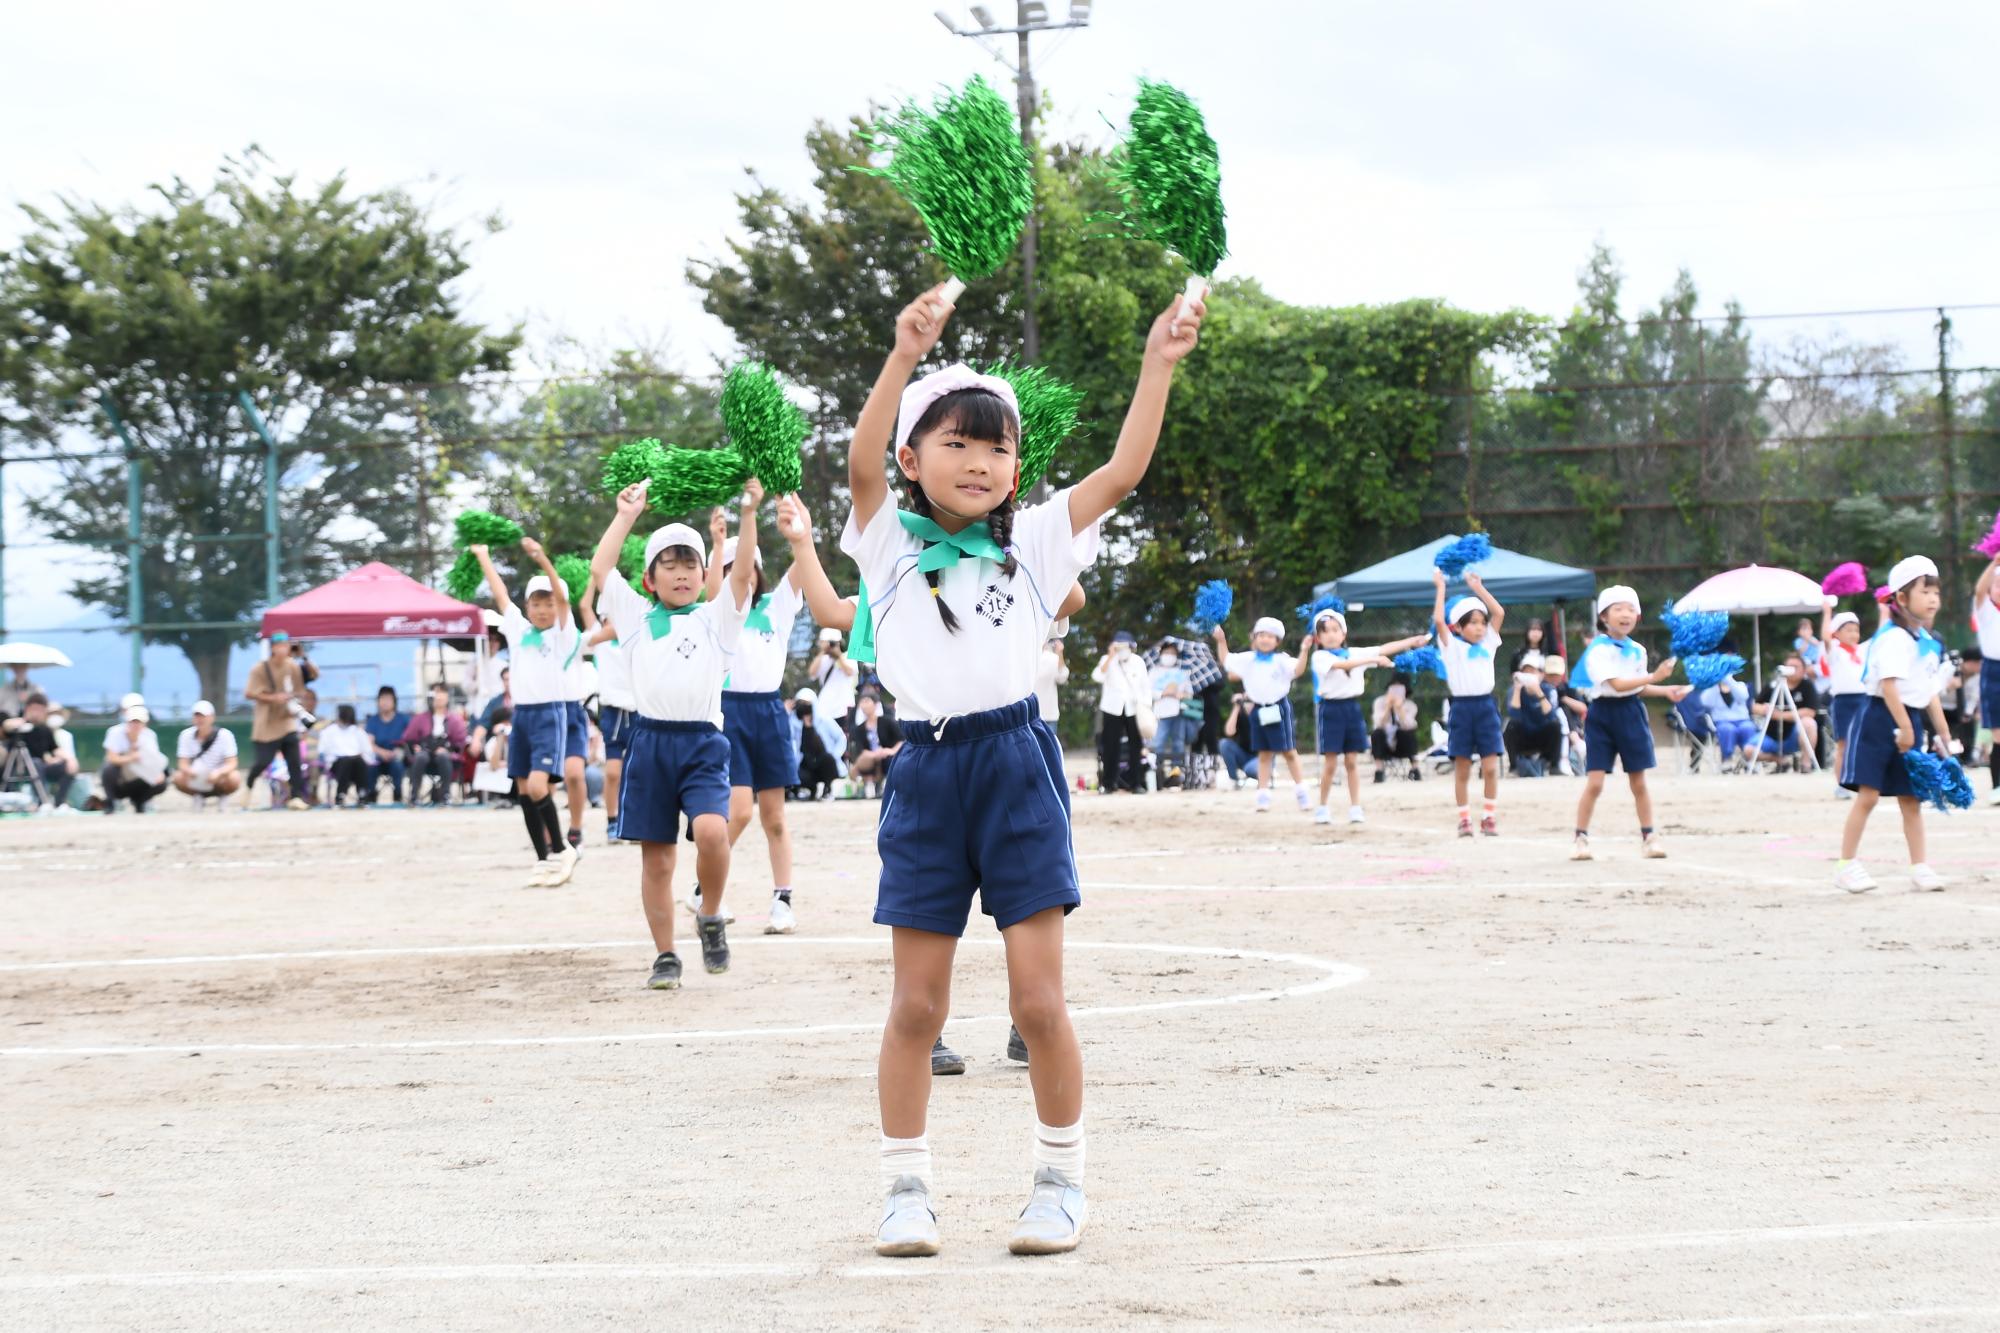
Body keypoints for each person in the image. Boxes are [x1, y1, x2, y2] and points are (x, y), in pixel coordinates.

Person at [844, 282, 1202, 1260]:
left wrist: (1155, 364)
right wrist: (902, 354)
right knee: (916, 1005)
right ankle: (905, 1190)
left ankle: (1058, 1180)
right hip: (924, 772)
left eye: (997, 445)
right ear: (912, 458)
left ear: (1016, 467)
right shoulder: (883, 540)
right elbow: (855, 461)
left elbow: (1124, 471)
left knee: (1036, 1001)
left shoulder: (1040, 538)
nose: (979, 460)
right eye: (954, 441)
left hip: (1016, 761)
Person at [590, 475, 759, 987]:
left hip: (703, 743)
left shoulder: (716, 621)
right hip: (650, 742)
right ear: (651, 579)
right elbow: (601, 569)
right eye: (671, 564)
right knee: (658, 859)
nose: (682, 573)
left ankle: (709, 914)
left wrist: (749, 513)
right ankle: (665, 955)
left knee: (712, 830)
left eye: (691, 563)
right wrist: (626, 516)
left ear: (704, 571)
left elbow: (744, 575)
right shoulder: (637, 619)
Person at [711, 526, 809, 937]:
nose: (743, 576)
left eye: (749, 568)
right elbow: (714, 589)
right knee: (739, 812)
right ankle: (706, 886)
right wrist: (718, 546)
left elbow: (804, 563)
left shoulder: (777, 605)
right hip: (729, 712)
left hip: (769, 712)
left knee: (775, 817)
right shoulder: (718, 613)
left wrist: (797, 528)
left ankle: (782, 899)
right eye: (734, 568)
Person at [1836, 556, 1953, 892]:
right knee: (1869, 796)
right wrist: (1905, 728)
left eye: (1936, 592)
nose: (1933, 598)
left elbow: (1929, 693)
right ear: (1901, 599)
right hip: (1878, 717)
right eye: (1924, 591)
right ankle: (1846, 865)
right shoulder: (1893, 638)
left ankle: (1920, 866)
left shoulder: (1928, 642)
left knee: (1911, 798)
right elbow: (1889, 686)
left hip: (1909, 719)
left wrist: (1944, 734)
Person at [471, 537, 579, 886]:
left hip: (550, 714)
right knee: (522, 788)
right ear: (528, 606)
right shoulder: (518, 630)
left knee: (537, 785)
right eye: (536, 603)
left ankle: (563, 849)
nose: (543, 609)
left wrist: (543, 560)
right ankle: (543, 859)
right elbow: (500, 594)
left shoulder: (562, 635)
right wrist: (483, 556)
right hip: (522, 717)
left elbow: (563, 602)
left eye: (548, 603)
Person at [1568, 587, 1687, 860]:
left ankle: (1649, 837)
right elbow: (1617, 685)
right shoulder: (1597, 650)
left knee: (1639, 782)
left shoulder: (1638, 650)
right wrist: (1655, 678)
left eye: (1630, 609)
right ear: (1604, 617)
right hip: (1602, 715)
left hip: (1631, 713)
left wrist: (1666, 690)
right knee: (1595, 782)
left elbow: (1636, 689)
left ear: (1638, 615)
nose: (1625, 614)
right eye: (1618, 609)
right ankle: (1580, 838)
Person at [1303, 608, 1428, 822]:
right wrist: (1373, 660)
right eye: (1325, 631)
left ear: (1344, 634)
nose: (1331, 634)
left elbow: (1383, 648)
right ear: (1318, 638)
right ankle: (1322, 807)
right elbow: (1342, 665)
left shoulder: (1354, 652)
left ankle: (1355, 807)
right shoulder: (1320, 657)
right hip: (1331, 710)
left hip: (1352, 709)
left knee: (1352, 761)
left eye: (1336, 630)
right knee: (1331, 763)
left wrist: (1411, 641)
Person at [1432, 568, 1507, 836]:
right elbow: (1439, 621)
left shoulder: (1488, 643)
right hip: (1462, 709)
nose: (1479, 627)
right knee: (1462, 768)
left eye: (1481, 622)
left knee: (1490, 767)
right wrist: (1440, 586)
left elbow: (1498, 613)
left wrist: (1479, 588)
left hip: (1486, 707)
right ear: (1459, 627)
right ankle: (1464, 819)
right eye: (1472, 622)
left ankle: (1489, 817)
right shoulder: (1452, 646)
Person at [1213, 616, 1310, 814]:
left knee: (1289, 752)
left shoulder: (1281, 660)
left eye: (1270, 636)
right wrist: (1221, 641)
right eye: (1261, 635)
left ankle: (1302, 793)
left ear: (1277, 641)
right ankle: (1263, 797)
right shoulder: (1248, 659)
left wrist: (1304, 650)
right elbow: (1227, 660)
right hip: (1259, 710)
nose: (1265, 639)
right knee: (1264, 753)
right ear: (1255, 638)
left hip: (1279, 708)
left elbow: (1298, 670)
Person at [241, 631, 312, 811]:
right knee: (263, 762)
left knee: (294, 760)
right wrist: (274, 698)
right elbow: (249, 693)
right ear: (272, 648)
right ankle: (249, 784)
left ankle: (296, 796)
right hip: (266, 724)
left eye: (286, 645)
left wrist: (292, 700)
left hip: (287, 720)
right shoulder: (260, 668)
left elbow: (300, 690)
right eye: (279, 645)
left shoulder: (293, 667)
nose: (283, 649)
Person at [1815, 608, 1867, 793]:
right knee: (1843, 744)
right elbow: (1826, 637)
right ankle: (1842, 784)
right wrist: (1827, 611)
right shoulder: (1835, 651)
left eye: (1856, 630)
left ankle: (1859, 780)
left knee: (1862, 743)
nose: (1854, 634)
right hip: (1843, 702)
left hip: (1863, 700)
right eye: (1848, 630)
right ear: (1837, 632)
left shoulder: (1862, 651)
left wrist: (1884, 610)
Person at [1092, 631, 1149, 794]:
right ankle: (1109, 783)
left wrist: (1146, 706)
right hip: (1112, 708)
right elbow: (1097, 676)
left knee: (1135, 746)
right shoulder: (1107, 660)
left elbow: (1145, 685)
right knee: (1110, 746)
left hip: (1133, 707)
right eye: (1119, 645)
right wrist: (1110, 656)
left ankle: (1136, 783)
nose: (1122, 649)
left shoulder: (1138, 662)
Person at [4, 693, 77, 810]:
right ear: (28, 708)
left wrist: (70, 759)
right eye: (35, 709)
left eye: (41, 710)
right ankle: (42, 802)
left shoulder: (45, 729)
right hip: (19, 767)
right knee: (36, 763)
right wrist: (22, 721)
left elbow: (54, 749)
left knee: (65, 767)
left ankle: (59, 803)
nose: (38, 713)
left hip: (41, 767)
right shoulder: (18, 726)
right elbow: (6, 726)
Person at [401, 682, 468, 807]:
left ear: (447, 696)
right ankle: (414, 795)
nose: (438, 697)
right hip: (424, 753)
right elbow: (409, 738)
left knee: (443, 756)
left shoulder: (455, 719)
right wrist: (414, 747)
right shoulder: (420, 718)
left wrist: (447, 750)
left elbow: (460, 742)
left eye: (442, 693)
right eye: (435, 693)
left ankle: (445, 795)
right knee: (421, 756)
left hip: (446, 756)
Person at [1754, 654, 1819, 772]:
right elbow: (1755, 706)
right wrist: (1764, 710)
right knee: (1749, 750)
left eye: (1796, 666)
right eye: (1789, 666)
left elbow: (1810, 712)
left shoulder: (1807, 686)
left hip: (1795, 735)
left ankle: (1806, 764)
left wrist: (1780, 715)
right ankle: (1781, 761)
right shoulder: (1773, 685)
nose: (1792, 670)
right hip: (1771, 734)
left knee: (1809, 723)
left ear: (1803, 670)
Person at [169, 699, 241, 803]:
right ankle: (198, 795)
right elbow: (182, 763)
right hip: (196, 777)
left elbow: (232, 763)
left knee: (234, 777)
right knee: (178, 777)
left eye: (203, 716)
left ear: (212, 717)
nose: (200, 719)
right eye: (197, 716)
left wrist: (218, 773)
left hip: (218, 777)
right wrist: (191, 772)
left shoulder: (225, 735)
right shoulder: (185, 735)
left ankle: (222, 794)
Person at [100, 704, 168, 813]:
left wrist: (158, 773)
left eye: (138, 722)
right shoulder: (115, 732)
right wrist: (130, 758)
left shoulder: (150, 736)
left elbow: (154, 760)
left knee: (162, 780)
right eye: (133, 721)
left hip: (139, 777)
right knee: (109, 768)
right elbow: (111, 758)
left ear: (145, 723)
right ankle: (111, 802)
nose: (135, 725)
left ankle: (140, 802)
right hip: (121, 779)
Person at [1147, 637, 1193, 786]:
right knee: (1158, 742)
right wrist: (1164, 693)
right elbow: (1147, 692)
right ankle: (1157, 773)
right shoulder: (1153, 672)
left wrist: (1181, 695)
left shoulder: (1182, 673)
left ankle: (1176, 774)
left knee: (1178, 743)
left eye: (1172, 652)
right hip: (1160, 713)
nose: (1169, 655)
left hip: (1179, 712)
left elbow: (1189, 693)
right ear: (1161, 654)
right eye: (1167, 652)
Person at [1504, 662, 1563, 777]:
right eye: (1525, 672)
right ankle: (1514, 767)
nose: (1528, 675)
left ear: (1541, 675)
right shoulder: (1514, 690)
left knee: (1555, 725)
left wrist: (1538, 692)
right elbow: (1513, 714)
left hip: (1542, 736)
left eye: (1532, 672)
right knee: (1511, 725)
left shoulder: (1548, 689)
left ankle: (1554, 766)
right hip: (1523, 736)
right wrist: (1517, 689)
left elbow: (1551, 715)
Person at [1973, 552, 2000, 804]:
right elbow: (1979, 591)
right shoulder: (1985, 610)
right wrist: (1995, 563)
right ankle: (1997, 786)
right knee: (1998, 735)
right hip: (1994, 671)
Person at [1700, 674, 1759, 771]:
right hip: (1722, 721)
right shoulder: (1711, 688)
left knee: (1748, 728)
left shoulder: (1740, 685)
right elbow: (1706, 702)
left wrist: (1729, 681)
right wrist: (1715, 683)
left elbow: (1743, 697)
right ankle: (1727, 759)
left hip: (1742, 720)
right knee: (1727, 729)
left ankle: (1749, 760)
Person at [846, 691, 903, 789]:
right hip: (870, 758)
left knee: (891, 761)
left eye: (867, 701)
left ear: (876, 704)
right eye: (862, 702)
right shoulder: (859, 729)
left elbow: (901, 740)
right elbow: (861, 750)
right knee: (863, 760)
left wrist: (891, 751)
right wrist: (876, 754)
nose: (864, 705)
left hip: (889, 756)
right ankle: (868, 784)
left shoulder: (887, 721)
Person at [791, 690, 841, 800]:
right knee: (797, 775)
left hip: (824, 760)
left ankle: (827, 789)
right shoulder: (792, 722)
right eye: (801, 704)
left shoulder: (825, 719)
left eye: (807, 704)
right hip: (804, 763)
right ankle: (810, 790)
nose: (804, 707)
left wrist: (834, 755)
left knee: (828, 760)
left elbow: (841, 738)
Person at [318, 703, 370, 806]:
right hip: (337, 764)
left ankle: (362, 794)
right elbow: (322, 751)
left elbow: (367, 751)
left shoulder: (358, 731)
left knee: (358, 760)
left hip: (356, 764)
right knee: (346, 761)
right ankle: (340, 795)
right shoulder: (329, 731)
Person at [810, 627, 860, 731]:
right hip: (825, 708)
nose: (830, 646)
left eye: (832, 643)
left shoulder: (847, 657)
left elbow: (849, 672)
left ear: (839, 643)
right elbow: (812, 673)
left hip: (843, 708)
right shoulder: (822, 660)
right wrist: (822, 652)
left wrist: (838, 656)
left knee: (845, 739)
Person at [1370, 678, 1420, 778]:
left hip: (1401, 745)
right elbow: (1378, 724)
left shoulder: (1410, 705)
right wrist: (1388, 707)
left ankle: (1415, 769)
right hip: (1384, 744)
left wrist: (1399, 709)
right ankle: (1379, 771)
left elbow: (1409, 725)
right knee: (1377, 734)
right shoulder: (1379, 702)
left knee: (1408, 733)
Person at [471, 707, 517, 803]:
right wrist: (500, 738)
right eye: (504, 724)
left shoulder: (517, 740)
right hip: (498, 788)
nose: (507, 726)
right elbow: (494, 765)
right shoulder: (492, 743)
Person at [1218, 691, 1261, 787]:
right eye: (1246, 701)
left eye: (1251, 700)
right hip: (1244, 755)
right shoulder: (1240, 713)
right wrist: (1236, 707)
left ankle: (1264, 779)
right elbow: (1229, 732)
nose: (1248, 704)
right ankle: (1234, 781)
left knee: (1250, 769)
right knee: (1224, 744)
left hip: (1261, 756)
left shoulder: (1262, 711)